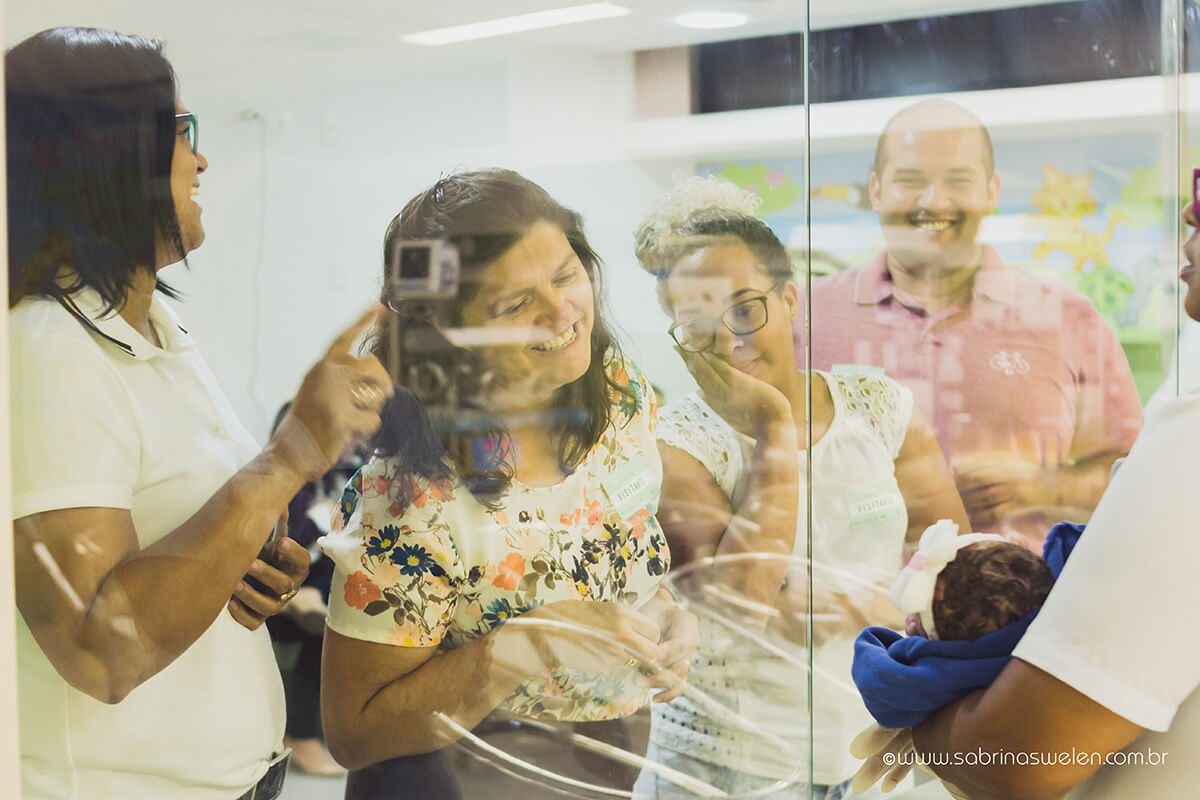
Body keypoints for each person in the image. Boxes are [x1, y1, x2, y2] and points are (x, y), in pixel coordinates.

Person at [8, 27, 392, 800]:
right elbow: (100, 651)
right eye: (183, 131)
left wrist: (251, 565)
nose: (202, 160)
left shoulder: (160, 333)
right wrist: (291, 454)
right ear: (108, 158)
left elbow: (177, 548)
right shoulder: (44, 352)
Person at [319, 169, 697, 798]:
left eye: (566, 276)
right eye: (516, 304)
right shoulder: (409, 499)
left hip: (606, 761)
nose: (562, 314)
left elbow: (623, 549)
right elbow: (354, 732)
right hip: (461, 778)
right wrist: (532, 642)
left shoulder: (618, 390)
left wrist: (664, 615)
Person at [629, 176, 969, 798]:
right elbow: (745, 608)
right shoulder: (674, 444)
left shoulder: (879, 406)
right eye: (697, 323)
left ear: (789, 299)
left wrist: (860, 608)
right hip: (730, 766)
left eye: (745, 309)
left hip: (871, 749)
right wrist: (773, 423)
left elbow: (957, 568)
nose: (729, 338)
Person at [853, 200, 1200, 799]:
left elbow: (1021, 752)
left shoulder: (1071, 321)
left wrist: (924, 709)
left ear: (988, 189)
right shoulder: (827, 312)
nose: (1192, 207)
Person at [806, 99, 1143, 544]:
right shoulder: (806, 316)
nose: (933, 201)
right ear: (876, 190)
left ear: (991, 191)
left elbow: (1136, 475)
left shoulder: (1067, 318)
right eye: (910, 180)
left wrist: (1048, 487)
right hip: (853, 589)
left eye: (958, 180)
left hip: (1021, 590)